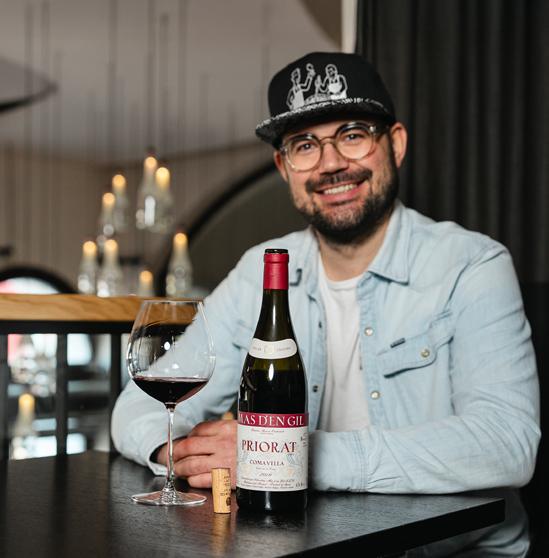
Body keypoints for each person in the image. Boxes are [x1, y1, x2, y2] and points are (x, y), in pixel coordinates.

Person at [112, 52, 540, 555]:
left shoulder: (473, 265)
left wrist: (293, 456)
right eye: (305, 145)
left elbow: (506, 443)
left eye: (353, 135)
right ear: (284, 167)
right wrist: (188, 454)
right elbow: (138, 407)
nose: (331, 164)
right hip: (302, 542)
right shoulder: (259, 271)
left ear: (396, 144)